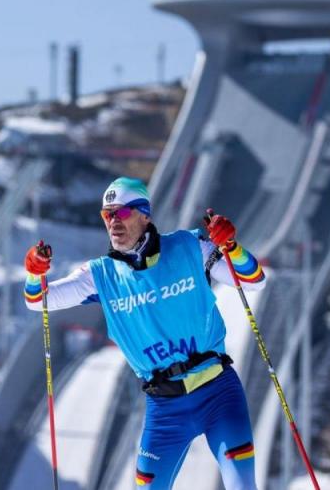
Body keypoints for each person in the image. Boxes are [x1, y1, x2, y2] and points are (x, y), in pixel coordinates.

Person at [23, 177, 266, 490]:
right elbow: (39, 301)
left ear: (144, 214)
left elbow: (254, 281)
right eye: (106, 215)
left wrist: (231, 248)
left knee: (242, 485)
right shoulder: (101, 275)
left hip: (217, 392)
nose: (113, 221)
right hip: (165, 409)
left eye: (121, 213)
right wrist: (34, 272)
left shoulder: (189, 247)